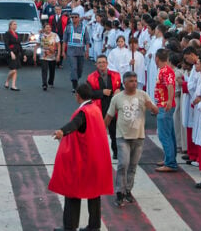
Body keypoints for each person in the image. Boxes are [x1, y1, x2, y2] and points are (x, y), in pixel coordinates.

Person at [49, 84, 113, 231]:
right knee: (94, 193)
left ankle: (70, 227)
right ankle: (94, 226)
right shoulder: (95, 109)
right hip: (96, 158)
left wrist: (62, 131)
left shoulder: (84, 112)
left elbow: (75, 124)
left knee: (73, 192)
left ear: (78, 95)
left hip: (82, 159)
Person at [105, 71, 159, 207]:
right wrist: (100, 132)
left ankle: (128, 190)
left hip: (139, 137)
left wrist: (152, 107)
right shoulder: (117, 98)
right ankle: (119, 192)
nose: (134, 83)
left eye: (135, 81)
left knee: (133, 166)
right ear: (124, 83)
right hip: (122, 137)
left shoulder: (143, 95)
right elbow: (109, 117)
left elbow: (155, 110)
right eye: (131, 81)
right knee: (123, 164)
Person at [87, 55, 121, 159]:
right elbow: (88, 93)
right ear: (96, 64)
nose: (102, 64)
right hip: (98, 107)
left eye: (103, 62)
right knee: (97, 133)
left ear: (107, 63)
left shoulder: (116, 75)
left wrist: (119, 90)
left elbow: (122, 87)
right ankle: (96, 153)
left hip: (113, 107)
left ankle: (116, 152)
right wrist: (102, 92)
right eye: (99, 62)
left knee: (114, 131)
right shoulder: (91, 77)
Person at [154, 49, 178, 172]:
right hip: (164, 105)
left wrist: (168, 101)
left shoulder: (166, 71)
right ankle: (170, 158)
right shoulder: (165, 70)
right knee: (169, 133)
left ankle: (170, 162)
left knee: (164, 135)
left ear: (157, 58)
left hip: (165, 106)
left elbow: (170, 85)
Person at [62, 12, 90, 93]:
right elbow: (64, 40)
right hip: (71, 51)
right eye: (72, 17)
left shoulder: (84, 28)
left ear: (79, 18)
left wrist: (87, 51)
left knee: (80, 69)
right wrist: (63, 51)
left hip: (80, 51)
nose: (74, 19)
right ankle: (75, 85)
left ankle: (76, 78)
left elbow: (87, 41)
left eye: (75, 17)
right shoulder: (68, 27)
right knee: (73, 68)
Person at [35, 23, 60, 91]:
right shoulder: (41, 36)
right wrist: (34, 55)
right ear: (44, 29)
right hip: (44, 56)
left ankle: (51, 82)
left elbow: (58, 45)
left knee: (52, 70)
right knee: (44, 70)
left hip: (52, 56)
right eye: (46, 27)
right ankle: (44, 84)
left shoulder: (55, 35)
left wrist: (58, 55)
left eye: (49, 27)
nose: (48, 29)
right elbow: (37, 45)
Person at [3, 20, 26, 91]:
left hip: (17, 53)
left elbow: (19, 45)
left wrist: (24, 55)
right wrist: (11, 52)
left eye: (16, 24)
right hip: (10, 53)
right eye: (14, 24)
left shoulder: (17, 34)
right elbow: (6, 45)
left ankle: (13, 85)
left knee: (15, 70)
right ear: (10, 25)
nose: (15, 26)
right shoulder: (7, 34)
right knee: (13, 70)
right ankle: (7, 81)